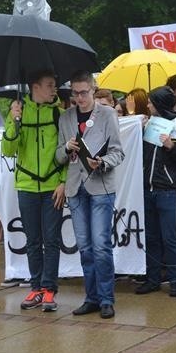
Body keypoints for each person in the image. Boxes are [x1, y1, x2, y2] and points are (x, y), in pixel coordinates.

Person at [56, 71, 124, 319]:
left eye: (84, 92)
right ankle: (92, 297)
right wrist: (66, 148)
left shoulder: (107, 114)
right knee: (85, 247)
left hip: (100, 186)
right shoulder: (66, 117)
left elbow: (118, 152)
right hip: (75, 188)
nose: (79, 98)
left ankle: (106, 299)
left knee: (101, 246)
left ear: (93, 90)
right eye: (75, 93)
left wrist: (102, 162)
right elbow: (58, 156)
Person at [1, 70, 66, 312]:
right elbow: (8, 150)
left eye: (54, 85)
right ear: (34, 87)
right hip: (26, 186)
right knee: (32, 241)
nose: (53, 89)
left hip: (52, 187)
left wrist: (63, 181)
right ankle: (36, 287)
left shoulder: (58, 113)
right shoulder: (17, 110)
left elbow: (67, 152)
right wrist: (14, 122)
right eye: (49, 85)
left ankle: (49, 289)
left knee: (51, 241)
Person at [135, 86, 176, 297]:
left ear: (159, 104)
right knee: (151, 237)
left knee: (170, 237)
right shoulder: (146, 123)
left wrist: (172, 147)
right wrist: (138, 130)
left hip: (168, 190)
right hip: (147, 188)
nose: (148, 105)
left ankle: (175, 280)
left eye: (151, 102)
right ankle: (152, 279)